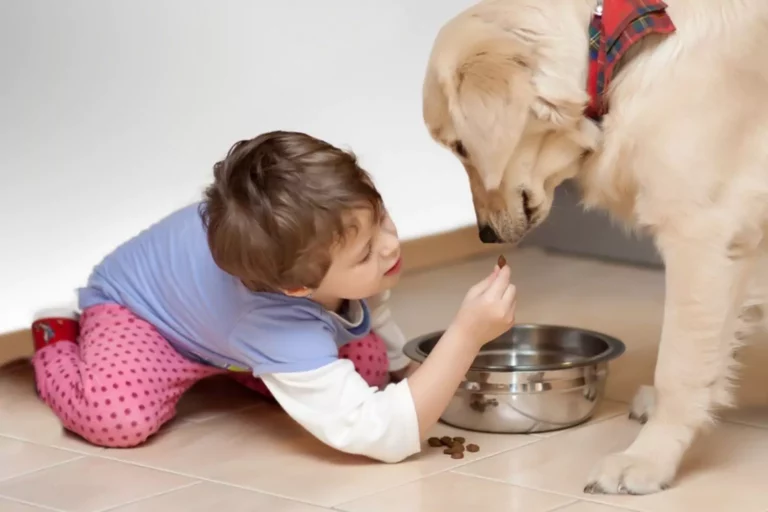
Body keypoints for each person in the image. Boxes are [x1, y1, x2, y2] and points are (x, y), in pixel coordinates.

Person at [30, 131, 517, 462]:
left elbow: (373, 299)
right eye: (367, 252)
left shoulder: (308, 258)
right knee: (118, 419)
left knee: (369, 369)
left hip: (225, 325)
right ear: (298, 290)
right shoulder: (276, 323)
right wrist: (467, 334)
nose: (391, 246)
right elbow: (379, 436)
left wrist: (401, 366)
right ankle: (58, 333)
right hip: (141, 316)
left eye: (382, 218)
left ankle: (245, 367)